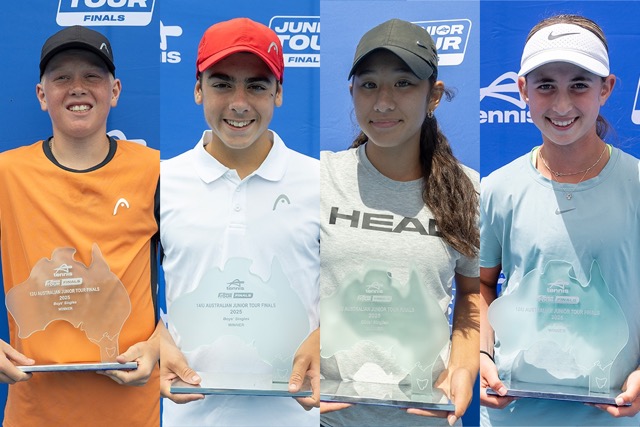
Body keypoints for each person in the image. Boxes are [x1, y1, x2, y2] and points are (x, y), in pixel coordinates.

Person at [480, 14, 640, 426]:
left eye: (579, 85)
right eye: (546, 85)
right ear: (523, 90)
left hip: (613, 416)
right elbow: (480, 285)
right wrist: (481, 353)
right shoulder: (497, 188)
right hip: (513, 414)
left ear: (606, 88)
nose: (562, 105)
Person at [159, 17, 320, 426]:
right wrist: (153, 338)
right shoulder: (160, 181)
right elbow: (131, 291)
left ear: (278, 93)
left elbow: (352, 291)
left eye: (257, 86)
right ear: (198, 89)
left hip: (296, 416)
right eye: (222, 84)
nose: (239, 102)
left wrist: (327, 337)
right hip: (190, 416)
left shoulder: (321, 182)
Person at [319, 18, 480, 427]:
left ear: (434, 95)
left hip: (428, 418)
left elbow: (473, 294)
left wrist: (462, 367)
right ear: (352, 92)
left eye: (404, 83)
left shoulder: (469, 191)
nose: (383, 102)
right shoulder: (319, 178)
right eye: (369, 84)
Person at [0, 25, 160, 426]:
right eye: (61, 78)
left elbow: (198, 276)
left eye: (92, 76)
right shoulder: (6, 173)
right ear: (42, 95)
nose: (77, 88)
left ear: (114, 91)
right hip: (34, 412)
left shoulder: (156, 171)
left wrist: (159, 346)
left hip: (130, 410)